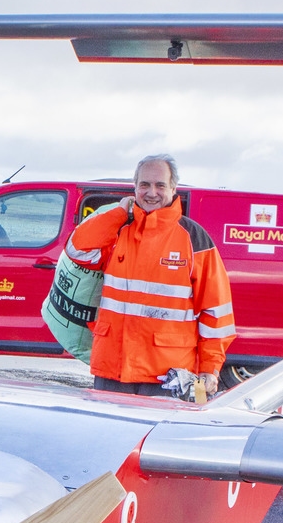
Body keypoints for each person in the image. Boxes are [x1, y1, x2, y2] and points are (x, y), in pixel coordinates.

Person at [66, 154, 235, 399]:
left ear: (173, 188)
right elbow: (77, 250)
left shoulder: (193, 237)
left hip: (167, 376)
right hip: (114, 369)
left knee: (161, 438)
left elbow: (216, 311)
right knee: (110, 436)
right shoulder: (119, 229)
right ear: (134, 188)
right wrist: (117, 214)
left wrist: (211, 368)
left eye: (160, 185)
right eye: (144, 184)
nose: (151, 192)